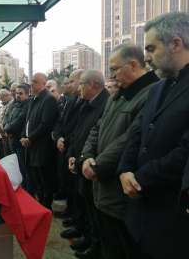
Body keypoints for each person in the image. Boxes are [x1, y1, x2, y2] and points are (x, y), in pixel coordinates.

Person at [117, 12, 189, 259]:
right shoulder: (158, 88)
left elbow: (185, 152)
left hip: (173, 218)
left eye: (151, 48)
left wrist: (138, 177)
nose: (146, 58)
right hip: (139, 214)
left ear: (176, 44)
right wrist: (124, 170)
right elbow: (137, 132)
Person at [80, 43, 158, 259]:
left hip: (119, 192)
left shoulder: (151, 94)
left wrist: (97, 166)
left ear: (133, 64)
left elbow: (130, 139)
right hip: (102, 188)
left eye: (114, 69)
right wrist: (86, 157)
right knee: (108, 247)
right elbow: (98, 128)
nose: (111, 75)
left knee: (123, 250)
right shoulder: (117, 96)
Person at [67, 70, 110, 259]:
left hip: (92, 165)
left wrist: (84, 159)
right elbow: (78, 131)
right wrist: (71, 155)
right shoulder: (87, 103)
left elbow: (100, 138)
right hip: (80, 161)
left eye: (81, 83)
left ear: (91, 84)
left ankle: (96, 245)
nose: (78, 87)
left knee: (94, 210)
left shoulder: (106, 104)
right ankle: (88, 236)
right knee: (85, 204)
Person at [21, 72, 60, 210]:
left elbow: (45, 124)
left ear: (44, 84)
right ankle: (41, 203)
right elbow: (28, 121)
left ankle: (46, 206)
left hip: (42, 147)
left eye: (35, 81)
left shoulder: (48, 99)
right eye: (31, 81)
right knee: (38, 180)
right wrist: (24, 136)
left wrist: (30, 139)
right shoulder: (34, 99)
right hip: (32, 146)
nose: (31, 83)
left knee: (45, 180)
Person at [53, 70, 86, 223]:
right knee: (66, 180)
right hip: (64, 146)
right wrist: (58, 137)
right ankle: (70, 208)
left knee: (75, 186)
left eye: (72, 81)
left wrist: (64, 141)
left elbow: (79, 128)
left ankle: (76, 215)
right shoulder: (71, 100)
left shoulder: (84, 100)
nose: (70, 85)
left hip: (72, 148)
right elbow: (61, 121)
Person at [4, 84, 34, 196]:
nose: (17, 95)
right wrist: (7, 128)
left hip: (21, 142)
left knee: (26, 168)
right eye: (17, 93)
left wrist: (7, 129)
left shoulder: (27, 105)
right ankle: (23, 187)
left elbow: (20, 120)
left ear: (27, 94)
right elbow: (8, 118)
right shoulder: (15, 105)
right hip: (13, 141)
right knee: (19, 168)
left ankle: (29, 191)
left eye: (20, 93)